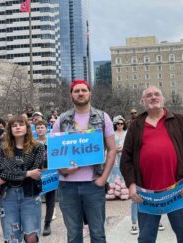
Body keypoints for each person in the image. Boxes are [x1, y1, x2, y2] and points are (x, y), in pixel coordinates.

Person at [121, 86, 183, 243]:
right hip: (147, 194)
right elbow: (126, 159)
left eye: (157, 94)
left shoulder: (180, 121)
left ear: (163, 99)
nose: (153, 97)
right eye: (149, 95)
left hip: (177, 191)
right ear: (143, 101)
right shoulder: (136, 126)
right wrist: (131, 184)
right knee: (146, 239)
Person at [52, 79, 116, 243]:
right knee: (73, 235)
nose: (80, 93)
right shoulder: (62, 119)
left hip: (93, 184)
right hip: (67, 186)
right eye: (76, 91)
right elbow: (53, 151)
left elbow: (111, 149)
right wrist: (63, 170)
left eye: (83, 90)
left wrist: (103, 179)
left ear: (90, 93)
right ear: (71, 94)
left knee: (98, 234)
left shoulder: (102, 117)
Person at [0, 115, 45, 243]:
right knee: (11, 237)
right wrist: (27, 173)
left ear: (27, 128)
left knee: (31, 236)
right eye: (14, 125)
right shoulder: (3, 148)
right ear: (10, 129)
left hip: (30, 194)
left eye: (21, 124)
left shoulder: (38, 147)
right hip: (8, 196)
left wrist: (12, 175)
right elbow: (3, 173)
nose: (17, 127)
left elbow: (37, 173)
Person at [35, 120, 57, 235]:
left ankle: (47, 224)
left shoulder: (52, 141)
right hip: (37, 173)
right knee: (35, 199)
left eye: (42, 127)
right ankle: (33, 224)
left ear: (46, 128)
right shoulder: (32, 142)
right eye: (38, 127)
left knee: (50, 199)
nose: (40, 129)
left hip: (50, 172)